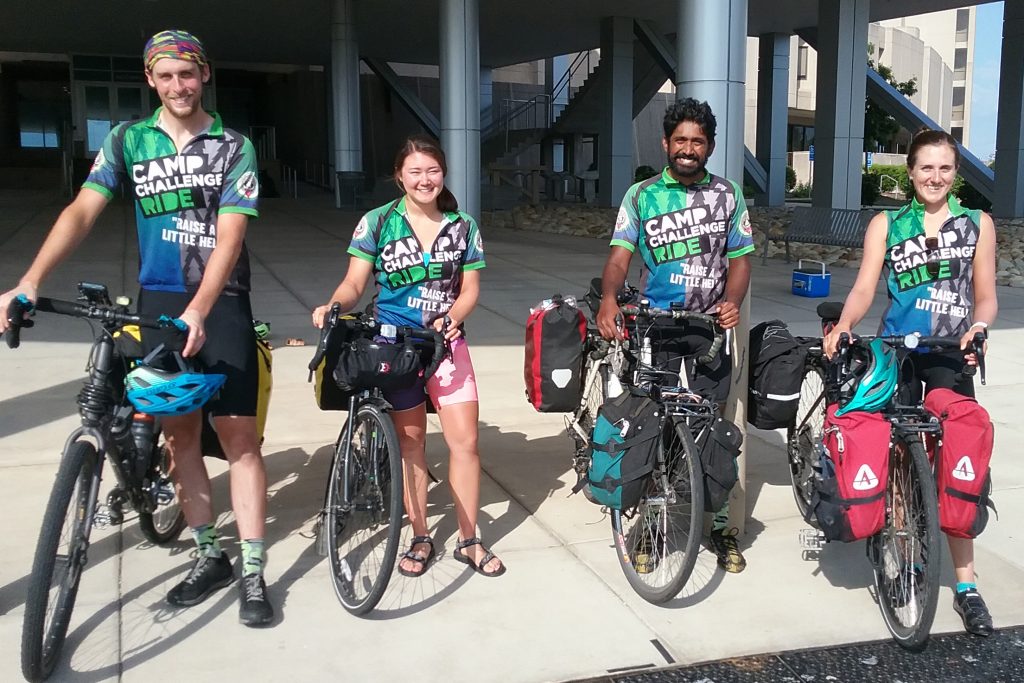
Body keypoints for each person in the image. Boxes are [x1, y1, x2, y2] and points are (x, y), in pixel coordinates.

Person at [0, 30, 274, 626]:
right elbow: (82, 210)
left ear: (205, 76)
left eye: (189, 74)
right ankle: (210, 557)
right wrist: (30, 279)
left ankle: (253, 571)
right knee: (178, 437)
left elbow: (230, 235)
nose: (180, 85)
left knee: (238, 440)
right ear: (151, 80)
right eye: (167, 76)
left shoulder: (233, 145)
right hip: (158, 301)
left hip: (220, 301)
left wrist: (201, 307)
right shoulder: (128, 140)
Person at [823, 129, 997, 637]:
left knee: (956, 465)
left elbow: (985, 295)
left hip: (949, 354)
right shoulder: (886, 224)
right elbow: (863, 288)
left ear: (955, 174)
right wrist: (847, 325)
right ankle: (906, 548)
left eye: (945, 168)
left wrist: (979, 325)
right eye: (926, 168)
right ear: (911, 171)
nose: (935, 178)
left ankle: (965, 585)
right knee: (897, 453)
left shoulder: (976, 224)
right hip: (898, 352)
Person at [312, 135, 504, 578]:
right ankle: (420, 535)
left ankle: (469, 539)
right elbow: (354, 282)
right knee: (412, 443)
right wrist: (334, 306)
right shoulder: (378, 222)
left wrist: (452, 317)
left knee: (466, 443)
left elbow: (470, 289)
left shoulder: (463, 226)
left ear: (444, 174)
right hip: (395, 347)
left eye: (432, 170)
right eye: (415, 171)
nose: (424, 179)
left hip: (445, 344)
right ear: (399, 175)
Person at [596, 98, 754, 573]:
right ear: (667, 143)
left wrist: (733, 301)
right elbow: (620, 257)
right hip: (656, 328)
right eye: (681, 140)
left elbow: (741, 260)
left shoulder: (727, 195)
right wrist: (609, 297)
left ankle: (721, 528)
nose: (689, 149)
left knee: (713, 432)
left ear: (710, 146)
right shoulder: (641, 195)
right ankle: (648, 527)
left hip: (709, 329)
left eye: (698, 141)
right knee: (652, 428)